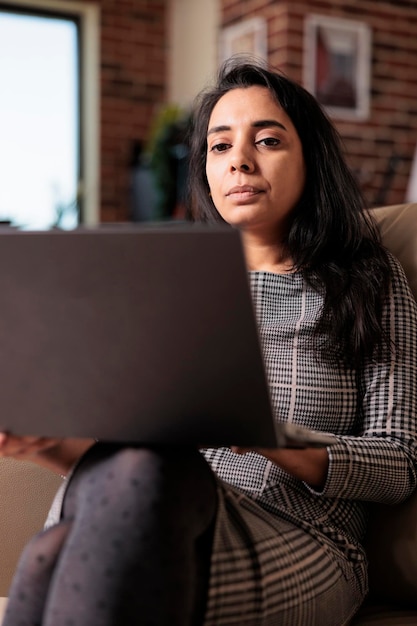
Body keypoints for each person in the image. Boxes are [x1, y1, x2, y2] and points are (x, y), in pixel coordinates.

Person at [1, 57, 417, 626]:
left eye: (266, 140)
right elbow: (120, 459)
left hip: (304, 538)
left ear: (311, 159)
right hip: (150, 510)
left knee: (59, 555)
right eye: (219, 147)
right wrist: (44, 444)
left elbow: (401, 463)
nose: (240, 160)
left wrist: (275, 440)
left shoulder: (369, 280)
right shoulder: (167, 287)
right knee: (105, 500)